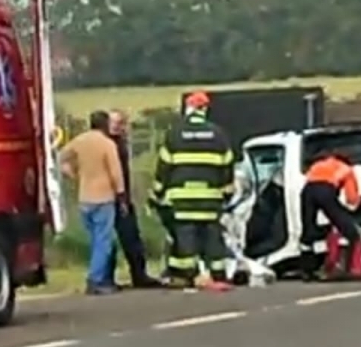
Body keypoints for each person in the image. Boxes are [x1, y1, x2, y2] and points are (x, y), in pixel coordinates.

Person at [153, 91, 235, 289]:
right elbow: (227, 167)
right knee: (212, 237)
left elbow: (163, 167)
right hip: (210, 198)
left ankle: (188, 276)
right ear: (205, 110)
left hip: (182, 199)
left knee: (185, 238)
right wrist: (226, 193)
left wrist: (158, 192)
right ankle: (218, 274)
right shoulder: (218, 134)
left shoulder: (174, 134)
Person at [60, 110, 127, 295]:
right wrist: (121, 196)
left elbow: (62, 157)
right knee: (103, 241)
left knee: (96, 240)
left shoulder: (80, 141)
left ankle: (101, 277)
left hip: (84, 197)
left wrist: (73, 174)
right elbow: (115, 172)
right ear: (105, 124)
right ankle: (95, 280)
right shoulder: (107, 144)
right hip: (103, 197)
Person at [105, 111, 162, 288]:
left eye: (120, 123)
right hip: (110, 197)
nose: (117, 126)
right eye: (113, 122)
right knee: (109, 239)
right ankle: (107, 277)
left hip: (123, 196)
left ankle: (139, 274)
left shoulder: (121, 142)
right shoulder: (106, 144)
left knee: (131, 238)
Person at [299, 152, 361, 280]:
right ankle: (348, 268)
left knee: (308, 232)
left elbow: (310, 181)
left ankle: (308, 271)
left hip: (307, 192)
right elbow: (352, 198)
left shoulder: (319, 164)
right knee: (348, 231)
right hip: (325, 191)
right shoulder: (346, 169)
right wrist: (352, 210)